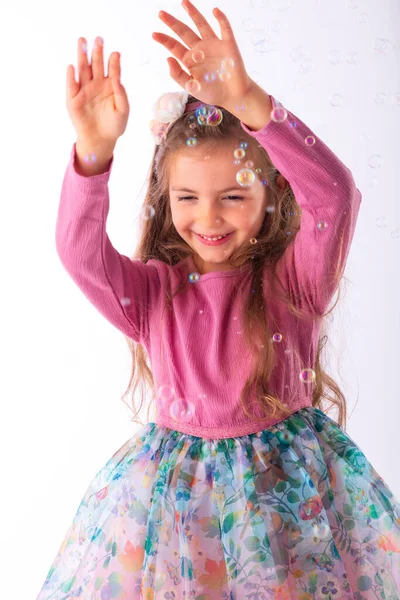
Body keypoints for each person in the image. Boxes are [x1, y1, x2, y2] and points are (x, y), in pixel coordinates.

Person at [37, 2, 400, 599]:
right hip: (178, 508)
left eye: (232, 196)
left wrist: (250, 99)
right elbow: (79, 255)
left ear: (269, 193)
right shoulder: (154, 293)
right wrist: (93, 156)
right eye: (187, 197)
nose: (207, 217)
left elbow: (334, 198)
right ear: (165, 195)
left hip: (287, 500)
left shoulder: (294, 282)